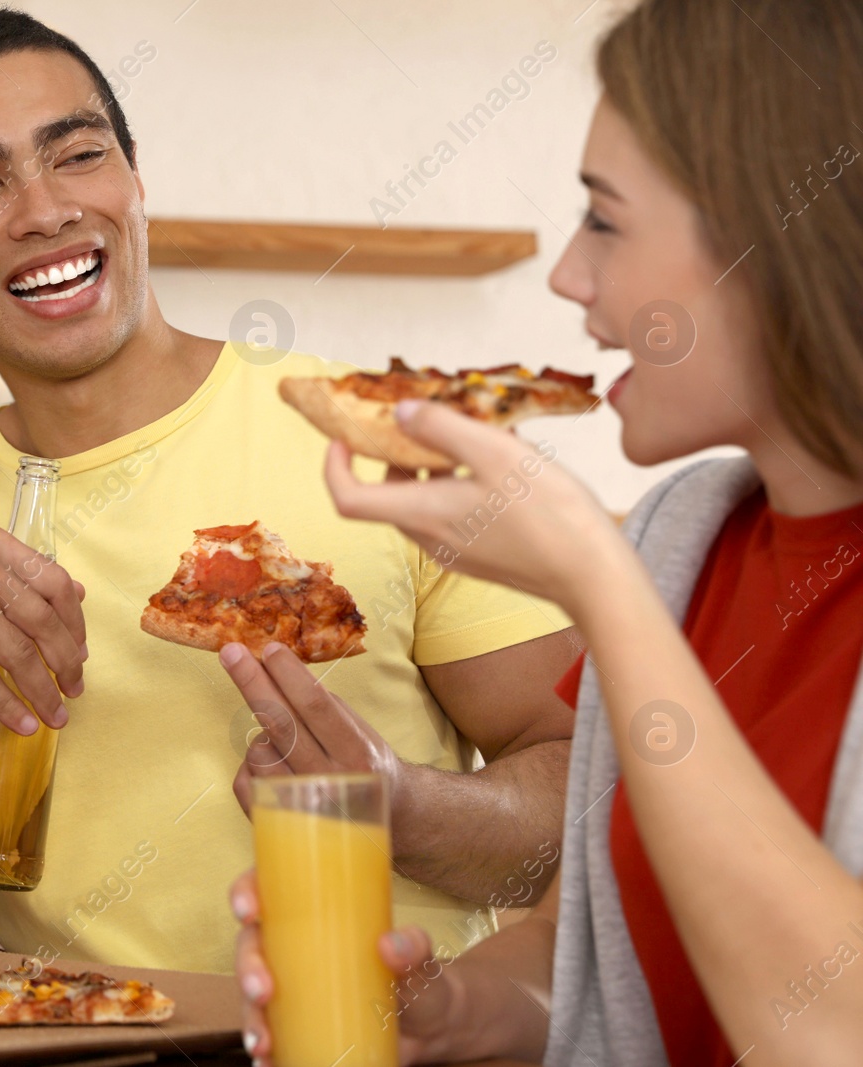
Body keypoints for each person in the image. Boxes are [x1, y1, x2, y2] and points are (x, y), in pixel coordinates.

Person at [0, 9, 581, 974]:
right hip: (72, 1044)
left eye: (77, 155)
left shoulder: (373, 441)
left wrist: (402, 803)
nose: (43, 211)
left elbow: (590, 801)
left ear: (136, 180)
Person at [232, 0, 863, 1062]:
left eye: (605, 221)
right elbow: (581, 957)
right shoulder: (683, 537)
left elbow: (828, 1028)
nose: (569, 275)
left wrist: (595, 586)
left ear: (783, 242)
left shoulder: (629, 575)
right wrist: (448, 1011)